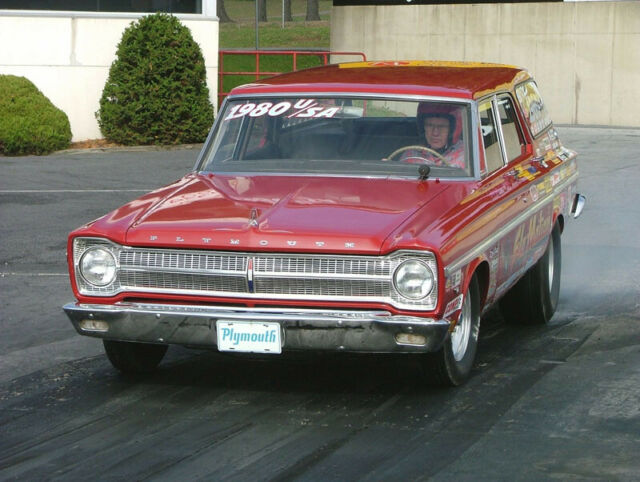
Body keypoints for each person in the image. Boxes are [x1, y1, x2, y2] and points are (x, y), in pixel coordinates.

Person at [399, 103, 466, 169]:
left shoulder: (466, 156)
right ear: (423, 127)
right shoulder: (411, 155)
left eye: (442, 126)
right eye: (430, 125)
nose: (435, 133)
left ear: (452, 129)